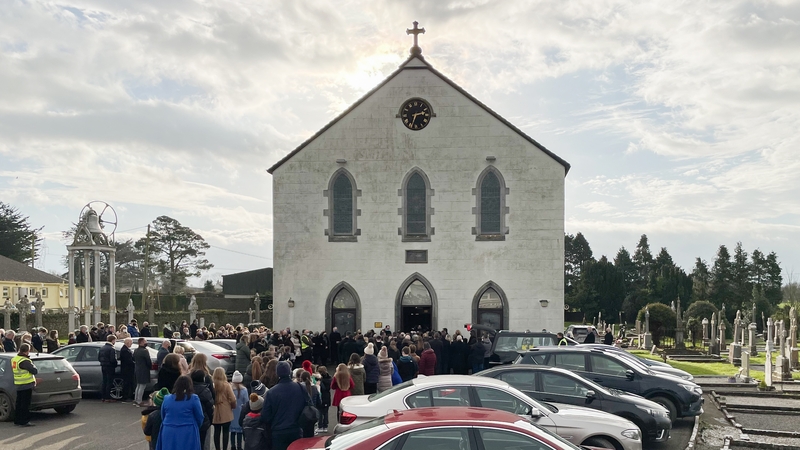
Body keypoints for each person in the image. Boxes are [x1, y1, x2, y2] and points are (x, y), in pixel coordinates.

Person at [260, 361, 307, 450]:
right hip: (296, 429)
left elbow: (265, 416)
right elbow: (308, 405)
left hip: (278, 432)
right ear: (290, 372)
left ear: (278, 373)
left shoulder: (271, 392)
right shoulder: (300, 388)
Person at [157, 375, 204, 450]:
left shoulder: (167, 399)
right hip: (188, 430)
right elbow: (200, 417)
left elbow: (163, 415)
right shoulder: (193, 398)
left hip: (168, 430)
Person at [11, 343, 37, 426]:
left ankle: (17, 420)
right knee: (25, 404)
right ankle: (24, 421)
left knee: (19, 403)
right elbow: (34, 371)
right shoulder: (24, 361)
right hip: (26, 384)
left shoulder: (15, 359)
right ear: (27, 351)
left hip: (18, 383)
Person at [213, 367, 237, 450]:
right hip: (226, 411)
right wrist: (233, 406)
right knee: (226, 432)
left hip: (215, 411)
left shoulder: (212, 385)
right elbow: (233, 398)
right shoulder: (226, 385)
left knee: (216, 431)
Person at [191, 369, 215, 449]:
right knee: (203, 442)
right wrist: (210, 420)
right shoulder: (205, 390)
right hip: (204, 420)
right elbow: (210, 406)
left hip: (191, 420)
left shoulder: (188, 390)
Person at [230, 371, 249, 450]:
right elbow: (246, 401)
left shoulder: (230, 389)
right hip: (240, 412)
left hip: (232, 412)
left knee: (232, 432)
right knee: (239, 431)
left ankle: (232, 446)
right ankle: (239, 446)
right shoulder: (244, 390)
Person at [298, 371, 321, 438]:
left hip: (302, 414)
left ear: (301, 378)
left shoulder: (299, 388)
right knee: (311, 434)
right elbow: (319, 402)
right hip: (312, 413)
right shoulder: (314, 388)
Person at [99, 335, 118, 402]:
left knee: (104, 381)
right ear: (113, 340)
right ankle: (108, 397)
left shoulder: (102, 348)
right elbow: (113, 359)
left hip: (103, 366)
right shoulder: (112, 348)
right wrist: (115, 365)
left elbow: (99, 357)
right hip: (110, 366)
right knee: (109, 382)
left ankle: (103, 397)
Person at [134, 337, 152, 406]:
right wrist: (150, 366)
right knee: (142, 386)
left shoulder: (136, 350)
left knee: (138, 385)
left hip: (137, 369)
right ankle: (139, 401)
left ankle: (136, 399)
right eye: (145, 341)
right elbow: (148, 360)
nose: (146, 342)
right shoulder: (145, 351)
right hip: (144, 370)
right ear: (141, 342)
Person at [317, 366, 331, 433]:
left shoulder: (322, 380)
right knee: (326, 412)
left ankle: (321, 426)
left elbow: (323, 389)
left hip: (322, 397)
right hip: (327, 397)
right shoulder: (329, 378)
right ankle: (325, 425)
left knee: (320, 412)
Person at [120, 337, 135, 402]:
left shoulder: (126, 349)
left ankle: (128, 396)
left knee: (128, 383)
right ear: (128, 342)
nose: (131, 344)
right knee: (126, 383)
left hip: (127, 369)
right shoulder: (125, 350)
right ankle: (125, 396)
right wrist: (135, 363)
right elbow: (128, 360)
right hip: (127, 369)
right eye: (131, 343)